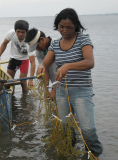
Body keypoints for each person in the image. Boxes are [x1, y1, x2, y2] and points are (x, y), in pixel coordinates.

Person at [36, 8, 103, 157]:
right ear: (57, 26)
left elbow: (89, 62)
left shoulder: (83, 40)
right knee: (65, 126)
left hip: (82, 90)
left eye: (69, 27)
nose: (65, 30)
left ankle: (93, 155)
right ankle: (69, 151)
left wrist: (68, 66)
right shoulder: (55, 44)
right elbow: (45, 63)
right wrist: (41, 66)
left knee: (87, 129)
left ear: (76, 26)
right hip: (61, 91)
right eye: (61, 27)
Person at [0, 20, 35, 92]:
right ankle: (11, 98)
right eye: (18, 32)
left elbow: (33, 62)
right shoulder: (11, 33)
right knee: (10, 81)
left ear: (26, 31)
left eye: (23, 32)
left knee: (23, 81)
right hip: (13, 58)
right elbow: (4, 43)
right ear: (15, 30)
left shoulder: (29, 39)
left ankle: (24, 101)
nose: (20, 34)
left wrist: (31, 80)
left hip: (24, 60)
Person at [25, 28, 57, 99]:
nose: (36, 49)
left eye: (37, 46)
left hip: (67, 84)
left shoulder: (57, 45)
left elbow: (65, 72)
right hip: (55, 85)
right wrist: (46, 91)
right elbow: (45, 71)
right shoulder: (39, 52)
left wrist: (55, 90)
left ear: (42, 39)